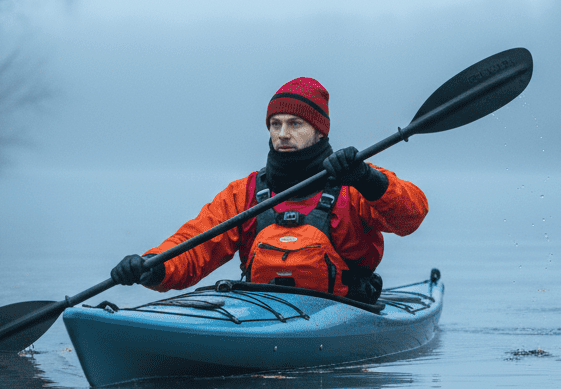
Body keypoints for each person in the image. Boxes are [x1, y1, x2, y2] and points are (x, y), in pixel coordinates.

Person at [110, 77, 428, 303]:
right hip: (261, 317)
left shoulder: (354, 182)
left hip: (346, 315)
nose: (283, 134)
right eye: (276, 124)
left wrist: (368, 179)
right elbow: (195, 246)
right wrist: (151, 266)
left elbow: (411, 216)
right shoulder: (245, 193)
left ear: (319, 132)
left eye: (295, 124)